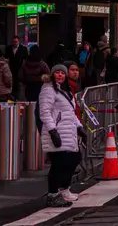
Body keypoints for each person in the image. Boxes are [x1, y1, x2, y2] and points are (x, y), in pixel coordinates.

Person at [38, 65, 80, 206]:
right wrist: (52, 131)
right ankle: (53, 194)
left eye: (63, 73)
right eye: (57, 72)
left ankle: (64, 189)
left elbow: (70, 112)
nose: (60, 75)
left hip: (69, 131)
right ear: (52, 74)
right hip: (57, 132)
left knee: (73, 159)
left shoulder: (64, 90)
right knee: (58, 164)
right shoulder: (48, 89)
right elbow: (44, 112)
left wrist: (79, 127)